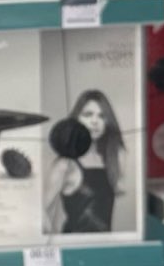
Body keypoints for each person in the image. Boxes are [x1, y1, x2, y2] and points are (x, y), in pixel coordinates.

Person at [44, 87, 125, 236]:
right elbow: (39, 211)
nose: (95, 121)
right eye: (88, 115)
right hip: (75, 245)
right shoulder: (65, 164)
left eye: (102, 116)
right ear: (77, 118)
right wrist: (56, 241)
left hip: (103, 245)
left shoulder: (109, 161)